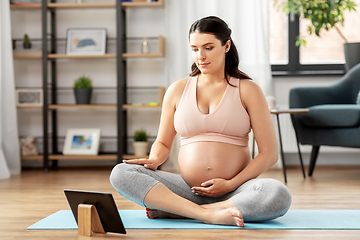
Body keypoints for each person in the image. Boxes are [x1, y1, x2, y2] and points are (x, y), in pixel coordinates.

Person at [110, 16, 291, 227]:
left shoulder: (248, 90)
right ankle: (207, 213)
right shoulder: (177, 90)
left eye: (208, 47)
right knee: (121, 172)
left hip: (235, 191)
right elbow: (163, 143)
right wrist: (154, 159)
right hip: (186, 190)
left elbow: (269, 153)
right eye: (194, 49)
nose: (201, 56)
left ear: (226, 46)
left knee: (278, 193)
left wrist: (231, 184)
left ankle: (181, 211)